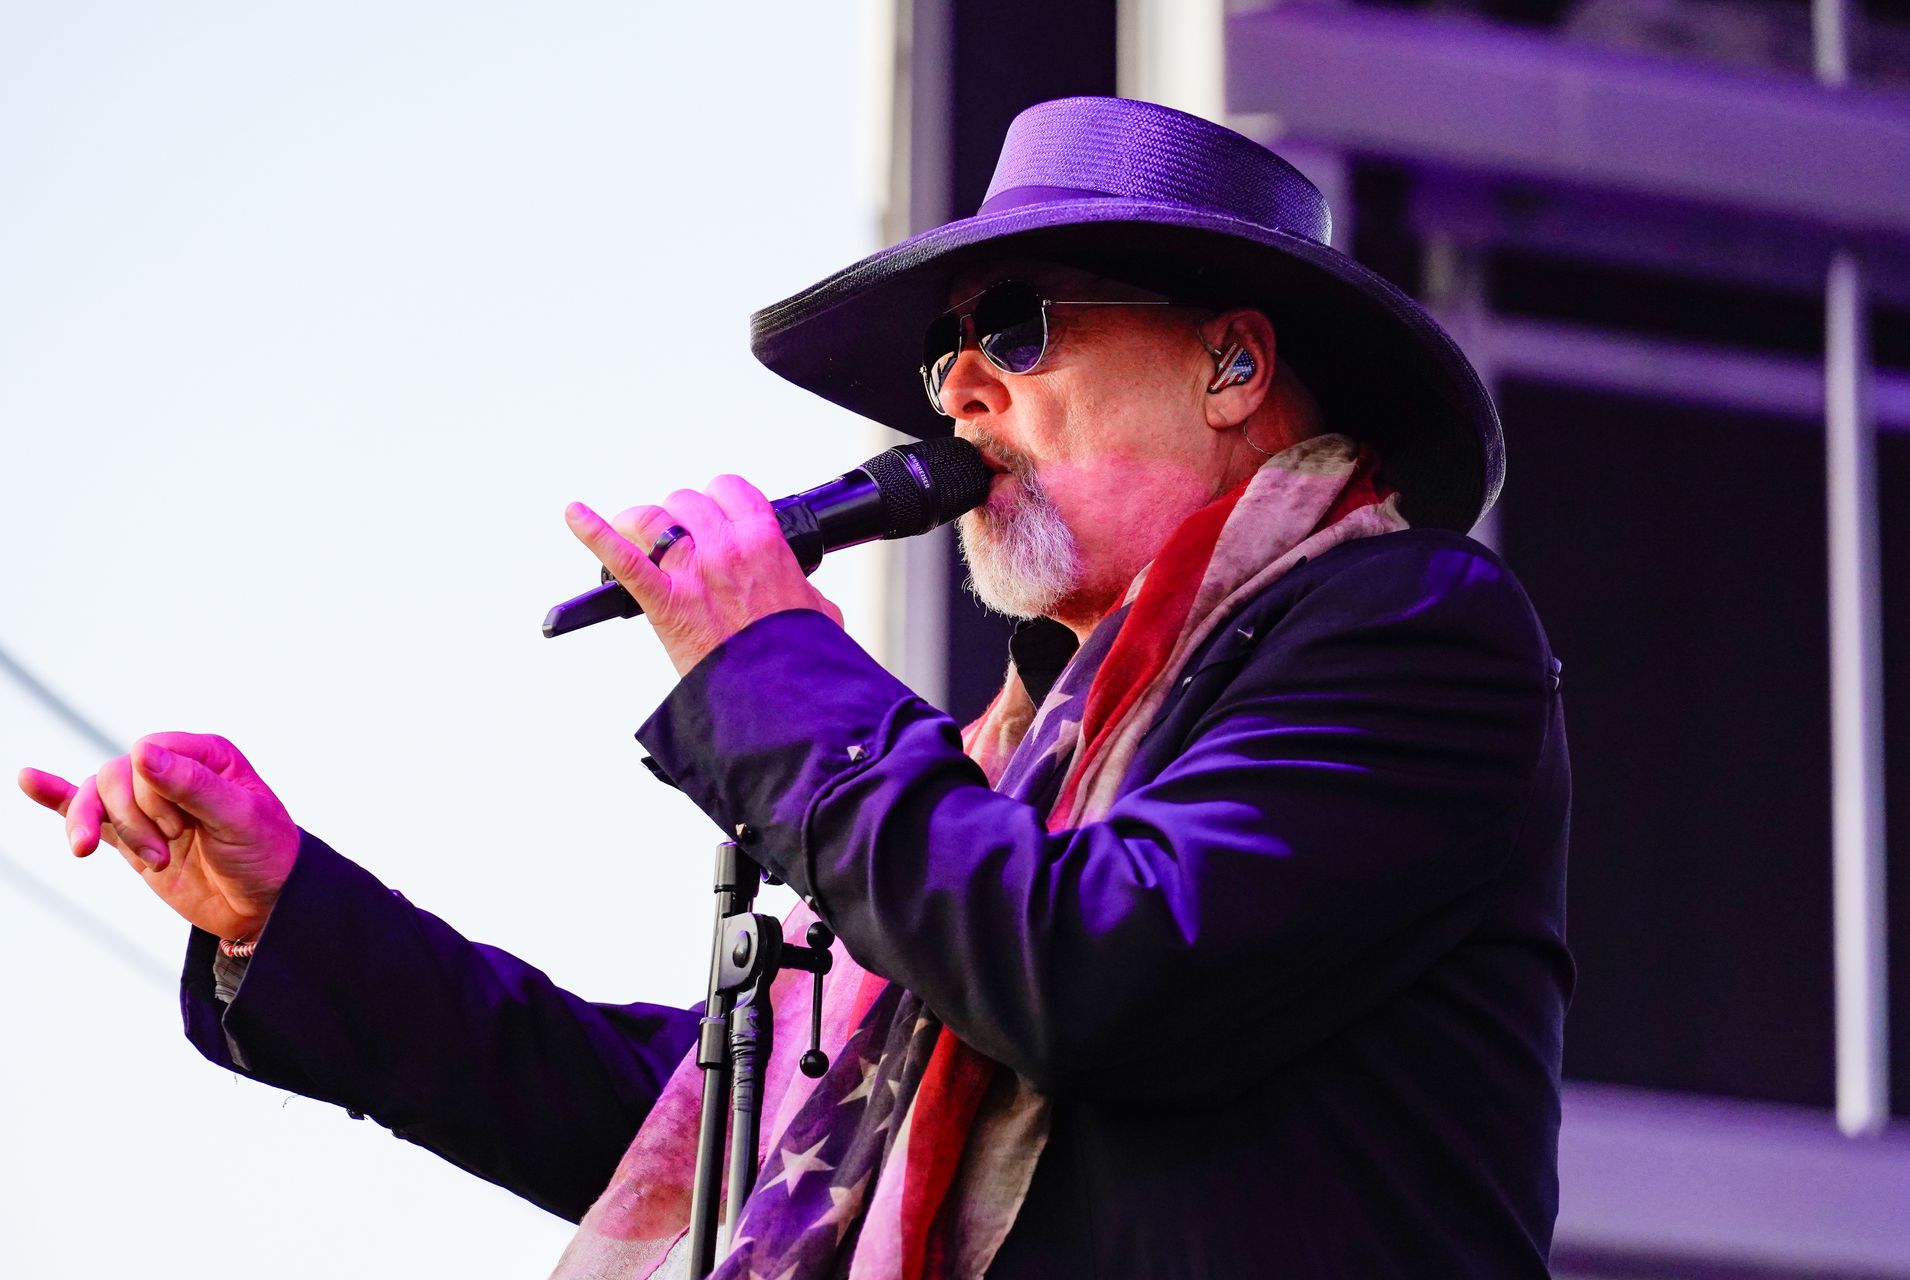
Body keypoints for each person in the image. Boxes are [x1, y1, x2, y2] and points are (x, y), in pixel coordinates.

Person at [17, 97, 1571, 1277]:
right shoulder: (1016, 763)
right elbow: (730, 1115)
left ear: (1232, 365)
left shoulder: (1409, 625)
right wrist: (285, 914)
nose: (960, 391)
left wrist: (770, 672)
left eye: (1016, 329)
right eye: (945, 357)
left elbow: (1104, 962)